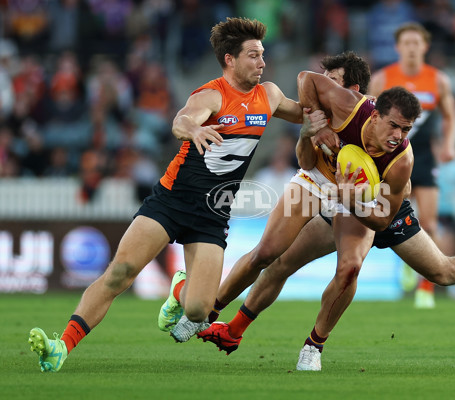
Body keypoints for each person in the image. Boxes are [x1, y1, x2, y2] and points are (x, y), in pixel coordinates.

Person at [168, 55, 455, 372]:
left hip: (371, 203)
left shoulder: (401, 159)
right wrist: (313, 126)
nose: (399, 136)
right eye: (394, 126)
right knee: (271, 255)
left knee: (436, 271)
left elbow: (382, 218)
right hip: (321, 184)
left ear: (354, 88)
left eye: (406, 129)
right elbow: (305, 81)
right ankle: (220, 319)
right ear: (373, 113)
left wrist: (350, 199)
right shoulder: (344, 106)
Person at [27, 17, 306, 373]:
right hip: (172, 200)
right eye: (253, 55)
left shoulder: (269, 95)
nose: (262, 62)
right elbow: (181, 120)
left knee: (198, 312)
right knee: (120, 272)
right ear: (229, 60)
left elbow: (303, 114)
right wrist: (194, 129)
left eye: (262, 55)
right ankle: (60, 346)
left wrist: (340, 111)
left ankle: (179, 291)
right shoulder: (212, 94)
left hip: (212, 213)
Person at [368, 22, 455, 308]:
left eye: (415, 43)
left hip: (425, 159)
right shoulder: (384, 79)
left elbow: (450, 116)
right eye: (405, 43)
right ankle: (408, 261)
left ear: (425, 47)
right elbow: (367, 116)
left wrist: (449, 144)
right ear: (397, 47)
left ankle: (425, 287)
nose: (411, 48)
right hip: (392, 159)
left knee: (430, 222)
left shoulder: (438, 80)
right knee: (390, 217)